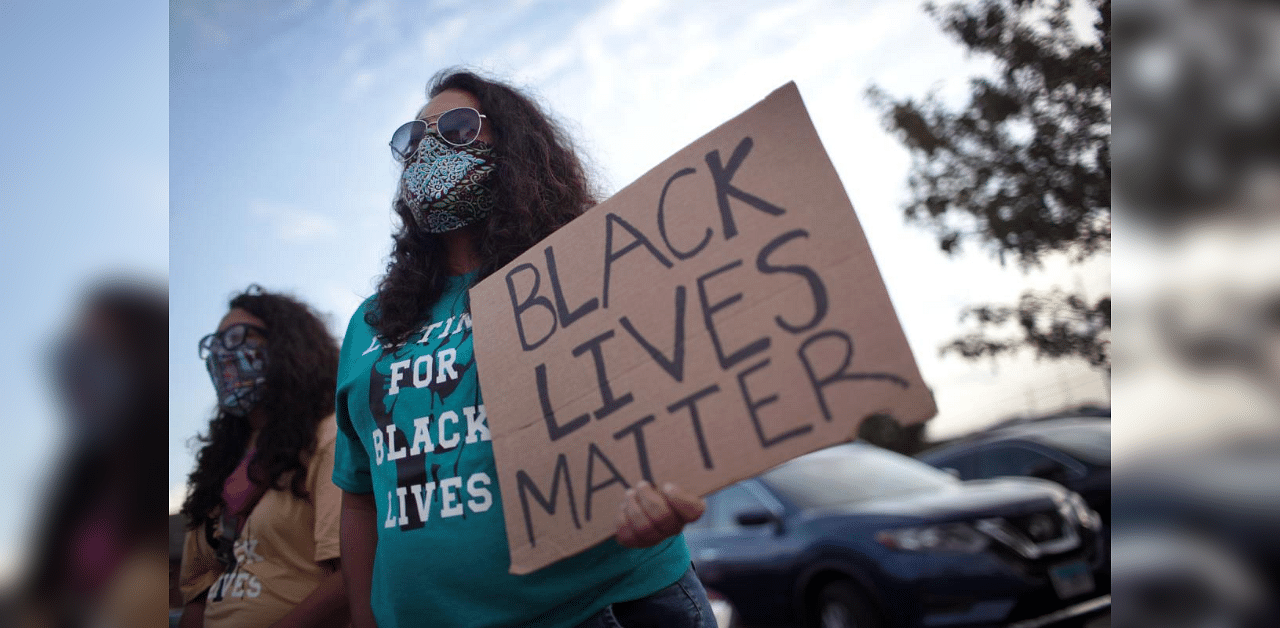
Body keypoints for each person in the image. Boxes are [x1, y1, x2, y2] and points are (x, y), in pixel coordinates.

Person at [334, 69, 717, 628]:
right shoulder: (369, 324)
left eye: (459, 128)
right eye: (413, 139)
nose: (430, 149)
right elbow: (360, 494)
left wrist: (672, 491)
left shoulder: (583, 270)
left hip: (604, 609)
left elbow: (671, 408)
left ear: (515, 149)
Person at [179, 286, 349, 628]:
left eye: (239, 337)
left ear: (289, 346)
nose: (222, 355)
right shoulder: (218, 465)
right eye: (215, 344)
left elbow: (350, 578)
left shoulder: (329, 438)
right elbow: (198, 595)